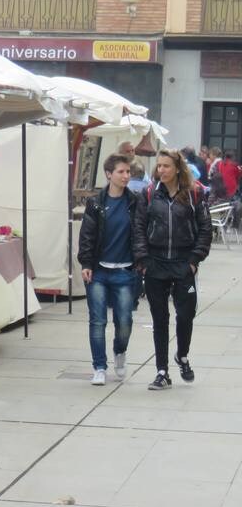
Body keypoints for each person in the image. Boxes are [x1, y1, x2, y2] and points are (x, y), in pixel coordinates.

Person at [133, 149, 211, 391]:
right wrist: (144, 260)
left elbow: (205, 229)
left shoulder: (194, 194)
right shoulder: (148, 194)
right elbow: (138, 228)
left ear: (178, 168)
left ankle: (183, 355)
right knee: (160, 319)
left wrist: (194, 259)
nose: (161, 170)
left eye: (166, 166)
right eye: (159, 166)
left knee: (185, 315)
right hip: (155, 263)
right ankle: (162, 371)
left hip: (183, 261)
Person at [78, 155, 139, 386]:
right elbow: (87, 236)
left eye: (128, 172)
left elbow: (140, 233)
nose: (126, 176)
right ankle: (99, 367)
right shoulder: (96, 203)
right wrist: (85, 264)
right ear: (108, 174)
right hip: (99, 271)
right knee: (98, 321)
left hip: (125, 271)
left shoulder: (134, 202)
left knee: (124, 321)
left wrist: (140, 262)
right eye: (121, 172)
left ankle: (120, 351)